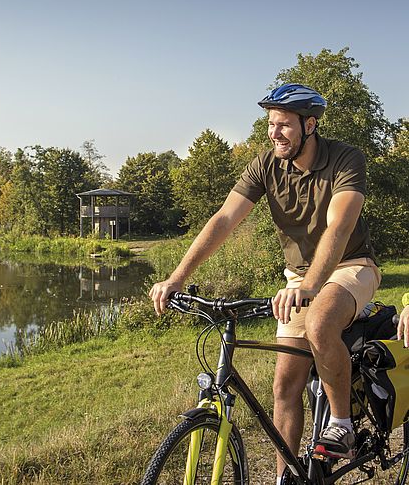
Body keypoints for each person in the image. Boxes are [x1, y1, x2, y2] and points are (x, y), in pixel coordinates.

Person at [149, 83, 408, 485]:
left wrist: (311, 286)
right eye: (270, 124)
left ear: (310, 125)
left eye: (283, 125)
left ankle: (342, 424)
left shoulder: (346, 159)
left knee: (321, 322)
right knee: (285, 384)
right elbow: (223, 220)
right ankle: (285, 477)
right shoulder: (265, 165)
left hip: (350, 266)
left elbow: (340, 227)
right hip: (298, 278)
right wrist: (177, 277)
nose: (274, 133)